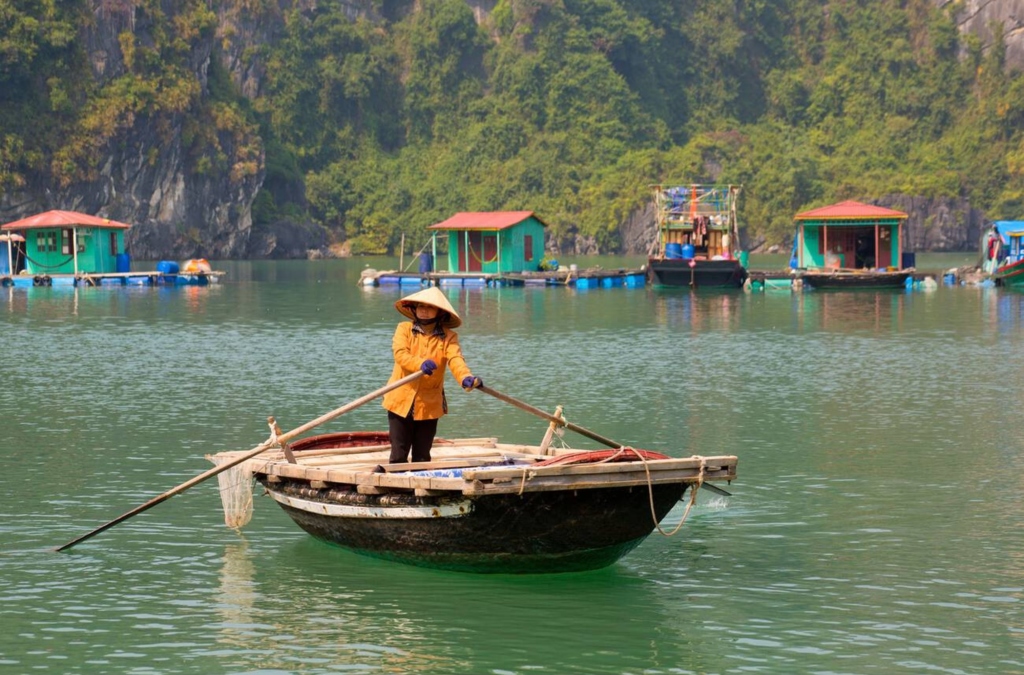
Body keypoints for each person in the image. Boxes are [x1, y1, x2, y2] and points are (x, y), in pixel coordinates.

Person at [382, 287, 482, 464]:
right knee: (399, 453)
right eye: (420, 307)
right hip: (400, 399)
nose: (424, 311)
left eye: (429, 307)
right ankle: (397, 488)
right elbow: (400, 354)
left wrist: (466, 377)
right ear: (414, 309)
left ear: (440, 312)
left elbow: (455, 359)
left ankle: (419, 486)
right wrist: (420, 364)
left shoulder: (448, 337)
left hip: (429, 404)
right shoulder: (404, 329)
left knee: (422, 455)